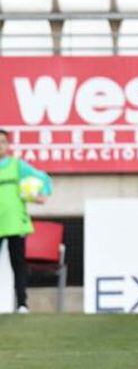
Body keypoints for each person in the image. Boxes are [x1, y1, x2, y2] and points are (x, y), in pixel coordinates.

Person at [0, 129, 52, 314]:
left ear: (8, 145)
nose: (0, 145)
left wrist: (41, 195)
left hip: (15, 223)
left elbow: (42, 178)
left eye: (3, 142)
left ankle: (22, 304)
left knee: (18, 264)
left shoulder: (17, 166)